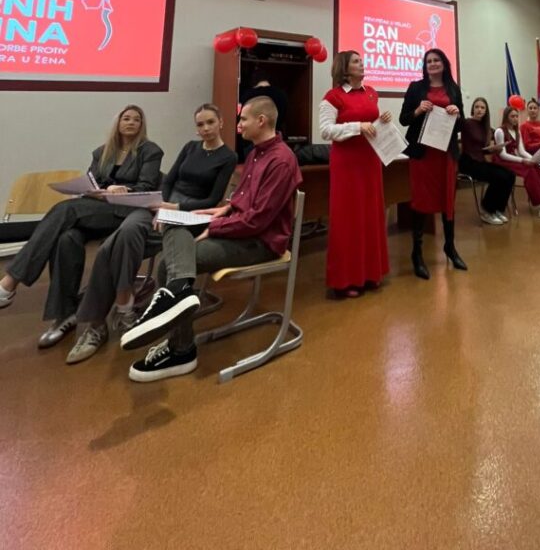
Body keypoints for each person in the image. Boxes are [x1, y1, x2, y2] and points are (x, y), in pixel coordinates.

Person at [121, 96, 302, 382]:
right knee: (176, 226)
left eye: (243, 119)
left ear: (261, 121)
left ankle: (182, 350)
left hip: (260, 243)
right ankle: (179, 296)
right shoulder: (255, 153)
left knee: (169, 265)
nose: (239, 125)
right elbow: (243, 198)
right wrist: (225, 209)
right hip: (241, 229)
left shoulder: (280, 160)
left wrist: (215, 227)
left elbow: (257, 221)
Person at [66, 104, 237, 364]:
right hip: (162, 208)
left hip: (191, 215)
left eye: (210, 122)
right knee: (120, 238)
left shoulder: (228, 157)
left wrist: (172, 209)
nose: (205, 129)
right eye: (200, 124)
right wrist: (160, 205)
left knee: (114, 243)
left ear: (221, 122)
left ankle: (99, 323)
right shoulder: (190, 148)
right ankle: (121, 309)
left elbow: (212, 199)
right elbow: (168, 181)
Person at [0, 106, 162, 347]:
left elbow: (147, 187)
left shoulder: (150, 151)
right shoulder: (102, 152)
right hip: (98, 210)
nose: (131, 122)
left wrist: (122, 189)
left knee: (64, 210)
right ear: (117, 123)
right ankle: (65, 314)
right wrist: (96, 190)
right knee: (67, 237)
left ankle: (10, 282)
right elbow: (91, 183)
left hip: (128, 212)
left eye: (136, 119)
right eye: (126, 118)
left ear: (142, 125)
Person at [319, 50, 390, 298]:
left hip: (370, 161)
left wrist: (382, 121)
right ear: (345, 68)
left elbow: (372, 126)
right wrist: (358, 127)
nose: (362, 64)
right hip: (347, 164)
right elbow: (325, 131)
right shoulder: (333, 96)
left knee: (370, 214)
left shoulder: (371, 92)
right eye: (356, 61)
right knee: (348, 218)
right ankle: (346, 279)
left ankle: (370, 273)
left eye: (361, 60)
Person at [400, 49, 466, 279]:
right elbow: (403, 119)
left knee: (448, 200)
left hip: (445, 154)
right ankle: (417, 254)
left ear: (444, 63)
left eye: (436, 60)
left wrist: (458, 114)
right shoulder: (416, 88)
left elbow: (461, 125)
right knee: (420, 199)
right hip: (423, 155)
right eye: (428, 61)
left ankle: (450, 247)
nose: (432, 63)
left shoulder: (453, 88)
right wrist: (419, 110)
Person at [492, 106, 540, 220]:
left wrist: (534, 160)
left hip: (514, 159)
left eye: (516, 116)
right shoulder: (500, 131)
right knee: (530, 171)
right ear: (506, 117)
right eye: (512, 116)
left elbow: (521, 151)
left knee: (538, 168)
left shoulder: (517, 131)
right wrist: (523, 160)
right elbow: (502, 154)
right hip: (503, 161)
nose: (515, 119)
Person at [459, 97, 515, 226]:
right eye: (477, 107)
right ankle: (487, 210)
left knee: (510, 175)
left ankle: (497, 209)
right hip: (468, 162)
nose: (479, 109)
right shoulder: (467, 123)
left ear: (486, 111)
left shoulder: (485, 126)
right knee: (499, 176)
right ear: (473, 109)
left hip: (480, 160)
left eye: (482, 107)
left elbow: (482, 150)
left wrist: (493, 149)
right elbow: (471, 148)